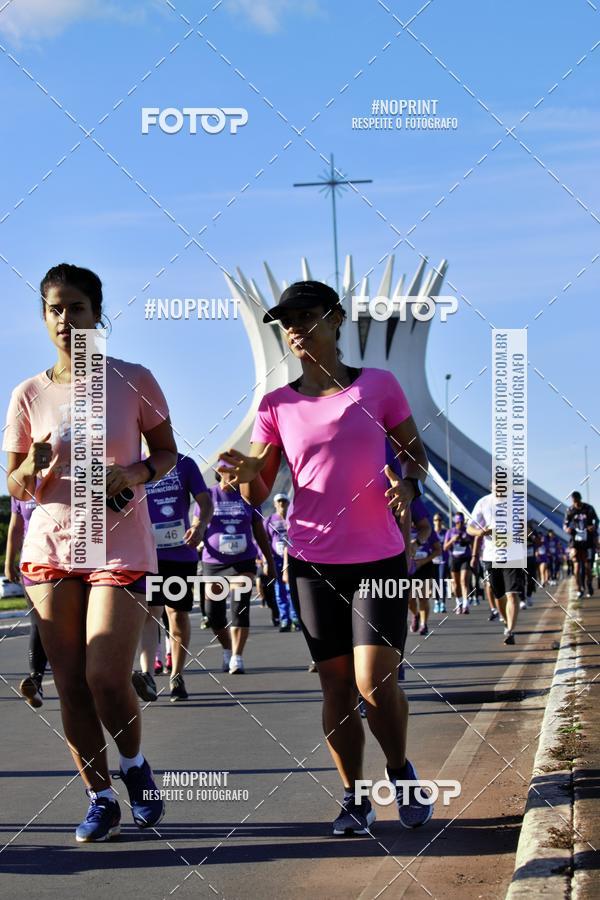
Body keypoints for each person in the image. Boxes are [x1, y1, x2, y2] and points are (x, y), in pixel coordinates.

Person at [218, 280, 434, 833]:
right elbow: (259, 489)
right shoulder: (276, 405)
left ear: (337, 320)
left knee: (374, 681)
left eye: (307, 316)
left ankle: (399, 770)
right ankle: (355, 796)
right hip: (312, 562)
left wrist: (407, 488)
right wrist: (245, 477)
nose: (294, 329)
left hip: (379, 557)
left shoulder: (379, 387)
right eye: (286, 322)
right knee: (336, 686)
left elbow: (415, 456)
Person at [3, 263, 177, 842]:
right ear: (43, 317)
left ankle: (133, 768)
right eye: (54, 308)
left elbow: (168, 452)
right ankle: (98, 795)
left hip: (118, 541)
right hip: (51, 544)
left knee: (105, 675)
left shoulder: (133, 379)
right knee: (71, 682)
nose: (65, 318)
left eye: (76, 307)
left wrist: (135, 472)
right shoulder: (28, 393)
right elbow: (15, 485)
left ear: (98, 314)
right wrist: (31, 466)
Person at [139, 452, 212, 702]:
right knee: (150, 612)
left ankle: (177, 675)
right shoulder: (135, 464)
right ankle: (148, 675)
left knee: (176, 614)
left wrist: (200, 526)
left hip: (180, 555)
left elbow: (205, 501)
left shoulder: (185, 464)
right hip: (147, 555)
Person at [195, 477, 274, 674]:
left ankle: (237, 657)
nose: (234, 476)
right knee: (213, 613)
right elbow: (200, 523)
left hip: (242, 561)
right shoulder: (208, 495)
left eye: (237, 472)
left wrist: (269, 560)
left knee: (240, 606)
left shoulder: (249, 496)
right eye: (228, 471)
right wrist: (195, 533)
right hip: (214, 563)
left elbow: (259, 532)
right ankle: (227, 649)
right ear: (220, 472)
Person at [5, 494, 48, 707]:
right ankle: (36, 680)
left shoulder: (62, 474)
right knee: (39, 623)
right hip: (32, 565)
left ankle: (86, 679)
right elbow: (16, 525)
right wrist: (9, 560)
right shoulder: (20, 483)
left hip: (69, 562)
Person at [467, 490, 525, 644]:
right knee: (497, 594)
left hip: (513, 555)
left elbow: (524, 528)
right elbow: (469, 528)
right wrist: (481, 532)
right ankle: (506, 620)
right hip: (491, 556)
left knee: (512, 594)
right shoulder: (483, 502)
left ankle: (511, 631)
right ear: (492, 486)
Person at [264, 493, 300, 632]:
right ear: (274, 503)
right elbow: (265, 541)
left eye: (284, 501)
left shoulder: (293, 519)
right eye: (279, 501)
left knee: (291, 589)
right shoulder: (269, 520)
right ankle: (284, 619)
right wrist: (266, 561)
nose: (281, 504)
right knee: (279, 590)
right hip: (276, 559)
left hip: (292, 558)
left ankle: (295, 618)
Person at [563, 491, 598, 599]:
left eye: (577, 502)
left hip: (588, 541)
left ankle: (588, 584)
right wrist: (567, 529)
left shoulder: (588, 508)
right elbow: (565, 524)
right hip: (575, 541)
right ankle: (579, 589)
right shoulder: (570, 510)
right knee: (577, 567)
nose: (575, 504)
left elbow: (596, 520)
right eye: (573, 502)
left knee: (588, 567)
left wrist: (594, 526)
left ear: (580, 499)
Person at [444, 512, 474, 615]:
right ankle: (459, 603)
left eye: (461, 522)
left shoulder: (468, 531)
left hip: (465, 558)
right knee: (456, 584)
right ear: (454, 522)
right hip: (454, 559)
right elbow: (445, 547)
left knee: (464, 581)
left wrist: (467, 541)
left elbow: (474, 544)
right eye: (457, 522)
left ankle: (466, 605)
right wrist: (452, 540)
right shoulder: (450, 532)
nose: (459, 524)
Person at [431, 513, 448, 614]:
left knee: (442, 581)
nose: (438, 522)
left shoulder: (445, 532)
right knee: (435, 583)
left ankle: (443, 603)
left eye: (440, 520)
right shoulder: (431, 533)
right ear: (433, 521)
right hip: (432, 561)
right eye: (436, 520)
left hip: (442, 561)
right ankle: (436, 602)